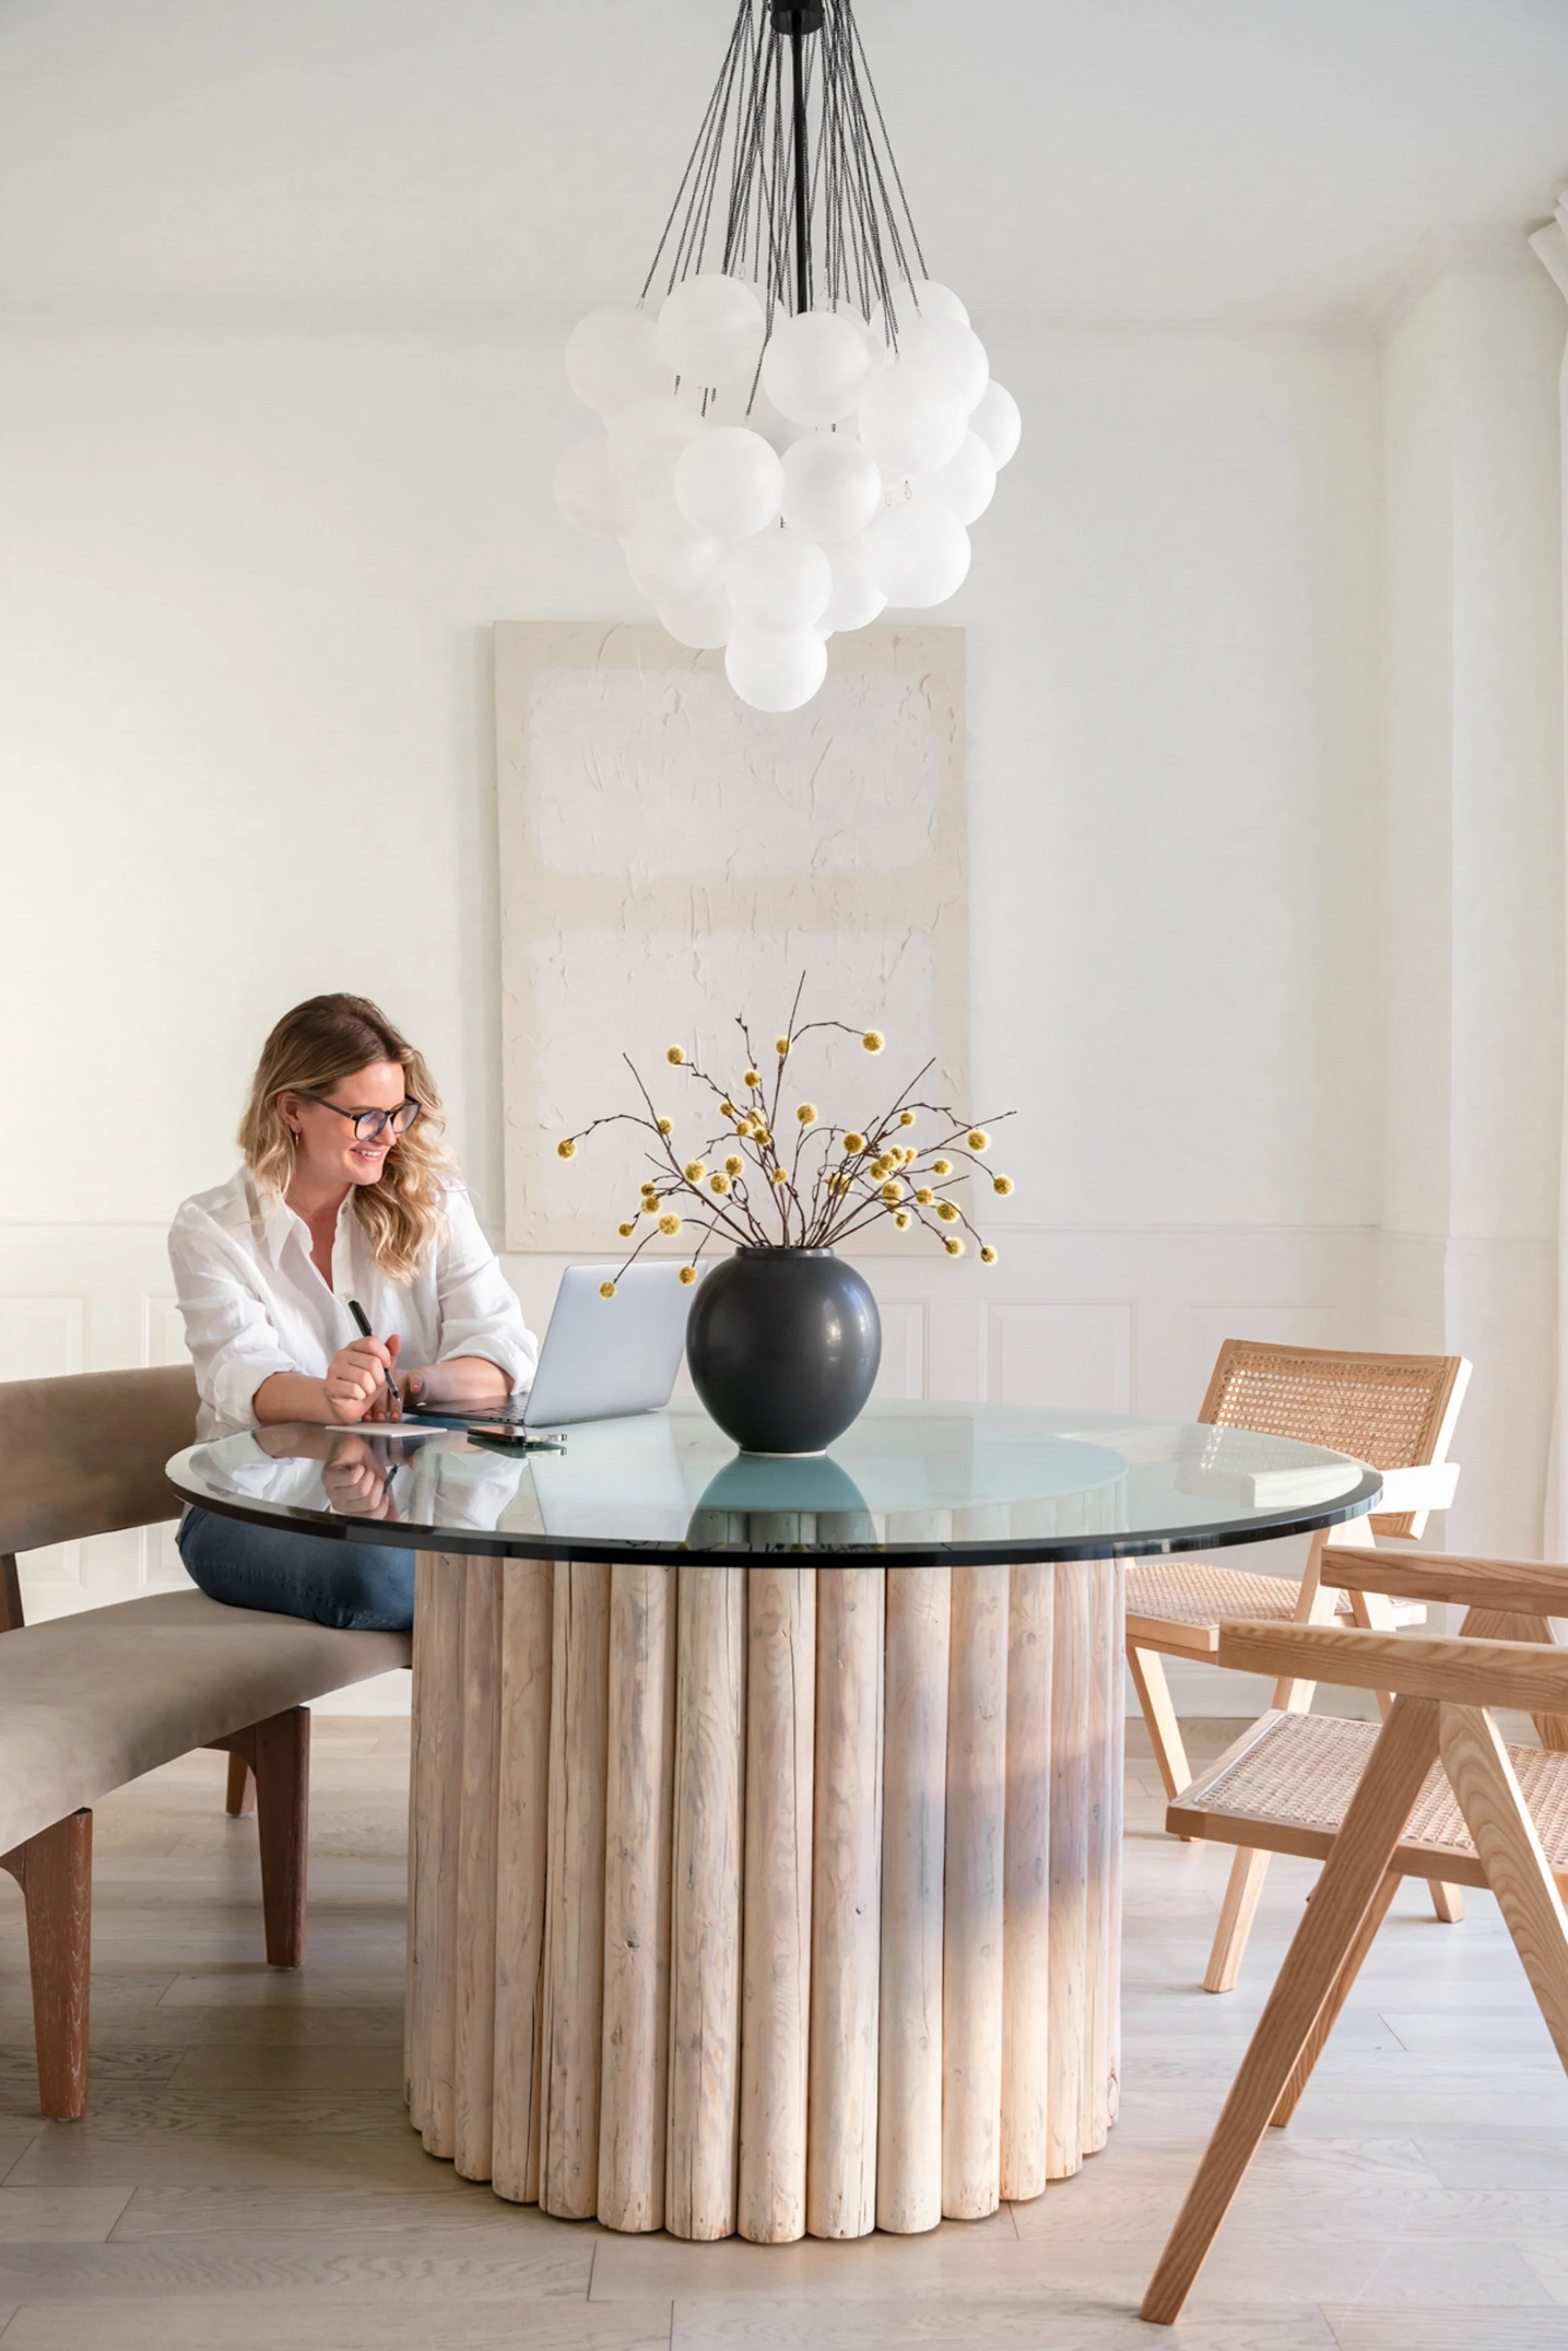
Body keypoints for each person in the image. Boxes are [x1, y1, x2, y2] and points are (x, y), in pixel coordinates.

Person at [169, 993, 538, 1630]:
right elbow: (240, 1376)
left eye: (399, 1114)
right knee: (396, 1577)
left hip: (416, 1506)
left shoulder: (434, 1201)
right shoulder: (212, 1228)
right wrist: (331, 1397)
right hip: (246, 1510)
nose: (389, 1137)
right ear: (291, 1110)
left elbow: (505, 1355)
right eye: (366, 1116)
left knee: (531, 1571)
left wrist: (408, 1385)